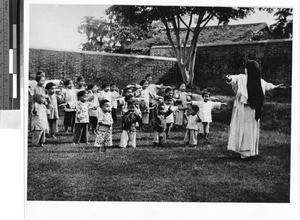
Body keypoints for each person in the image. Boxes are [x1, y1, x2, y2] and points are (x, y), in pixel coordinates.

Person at [225, 60, 284, 159]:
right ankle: (245, 150)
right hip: (246, 108)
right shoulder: (244, 78)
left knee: (246, 129)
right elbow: (233, 79)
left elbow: (268, 85)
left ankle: (246, 151)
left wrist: (274, 86)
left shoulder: (256, 79)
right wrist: (229, 78)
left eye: (246, 68)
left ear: (248, 69)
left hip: (249, 109)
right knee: (246, 128)